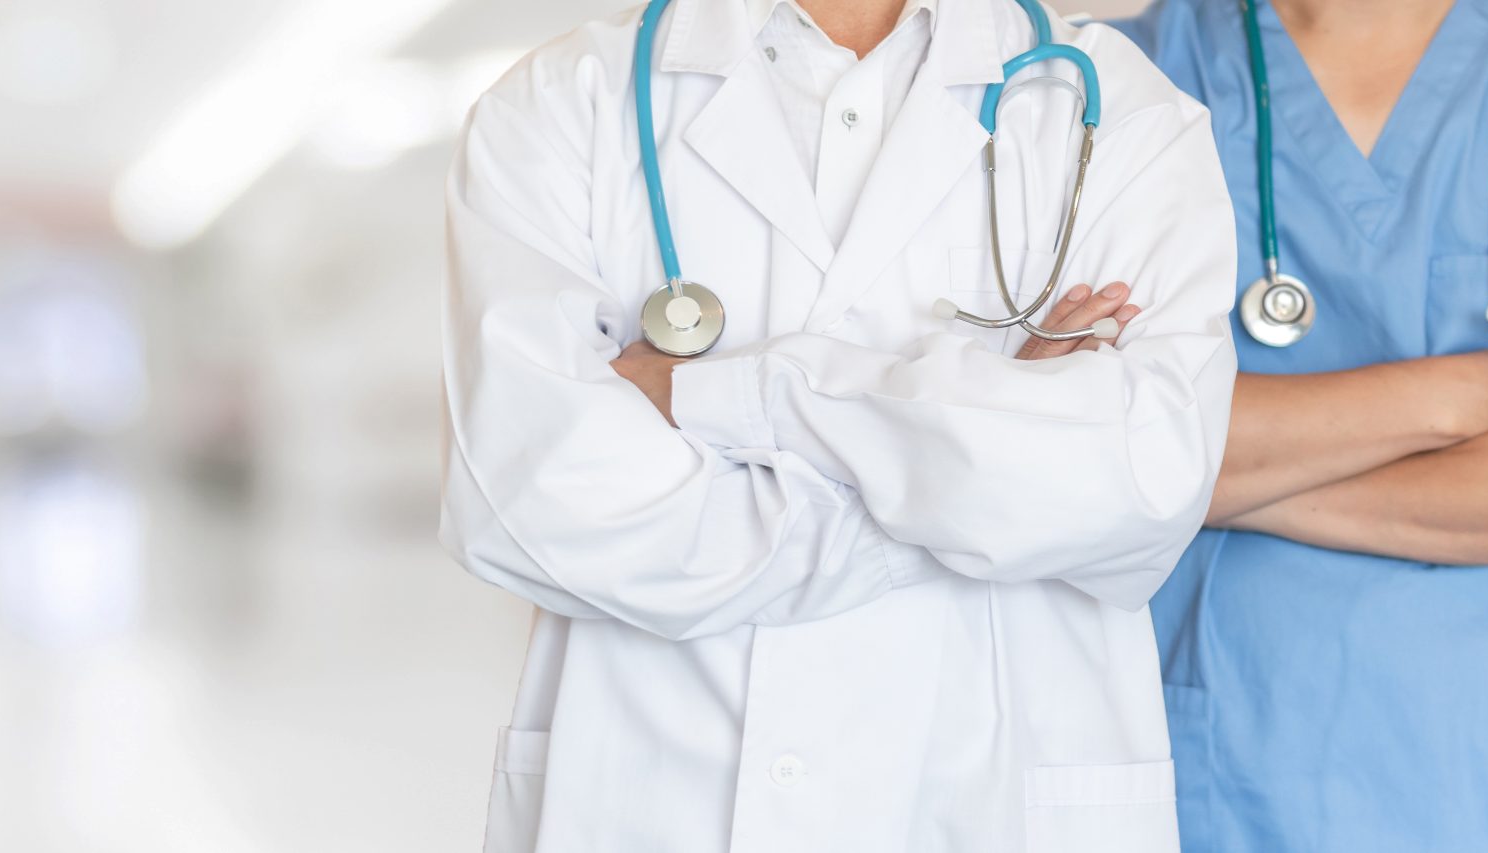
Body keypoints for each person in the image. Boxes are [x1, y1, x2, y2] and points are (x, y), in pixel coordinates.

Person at [441, 0, 1239, 849]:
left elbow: (1137, 479)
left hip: (991, 799)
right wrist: (976, 486)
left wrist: (731, 392)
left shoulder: (1121, 113)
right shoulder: (562, 106)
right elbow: (537, 497)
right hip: (660, 796)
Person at [1108, 1, 1488, 849]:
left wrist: (1206, 481)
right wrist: (1456, 399)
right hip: (1225, 768)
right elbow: (1063, 442)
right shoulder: (1100, 80)